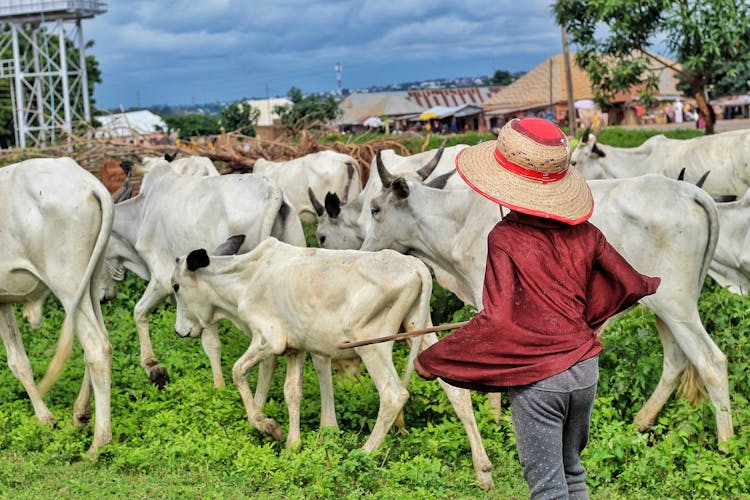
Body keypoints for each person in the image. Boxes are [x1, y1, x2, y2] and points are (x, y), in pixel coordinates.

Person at [413, 117, 660, 499]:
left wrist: (434, 360)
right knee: (572, 473)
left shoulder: (505, 238)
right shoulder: (587, 233)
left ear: (502, 184)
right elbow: (626, 282)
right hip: (585, 371)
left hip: (542, 381)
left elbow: (497, 321)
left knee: (547, 488)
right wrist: (571, 327)